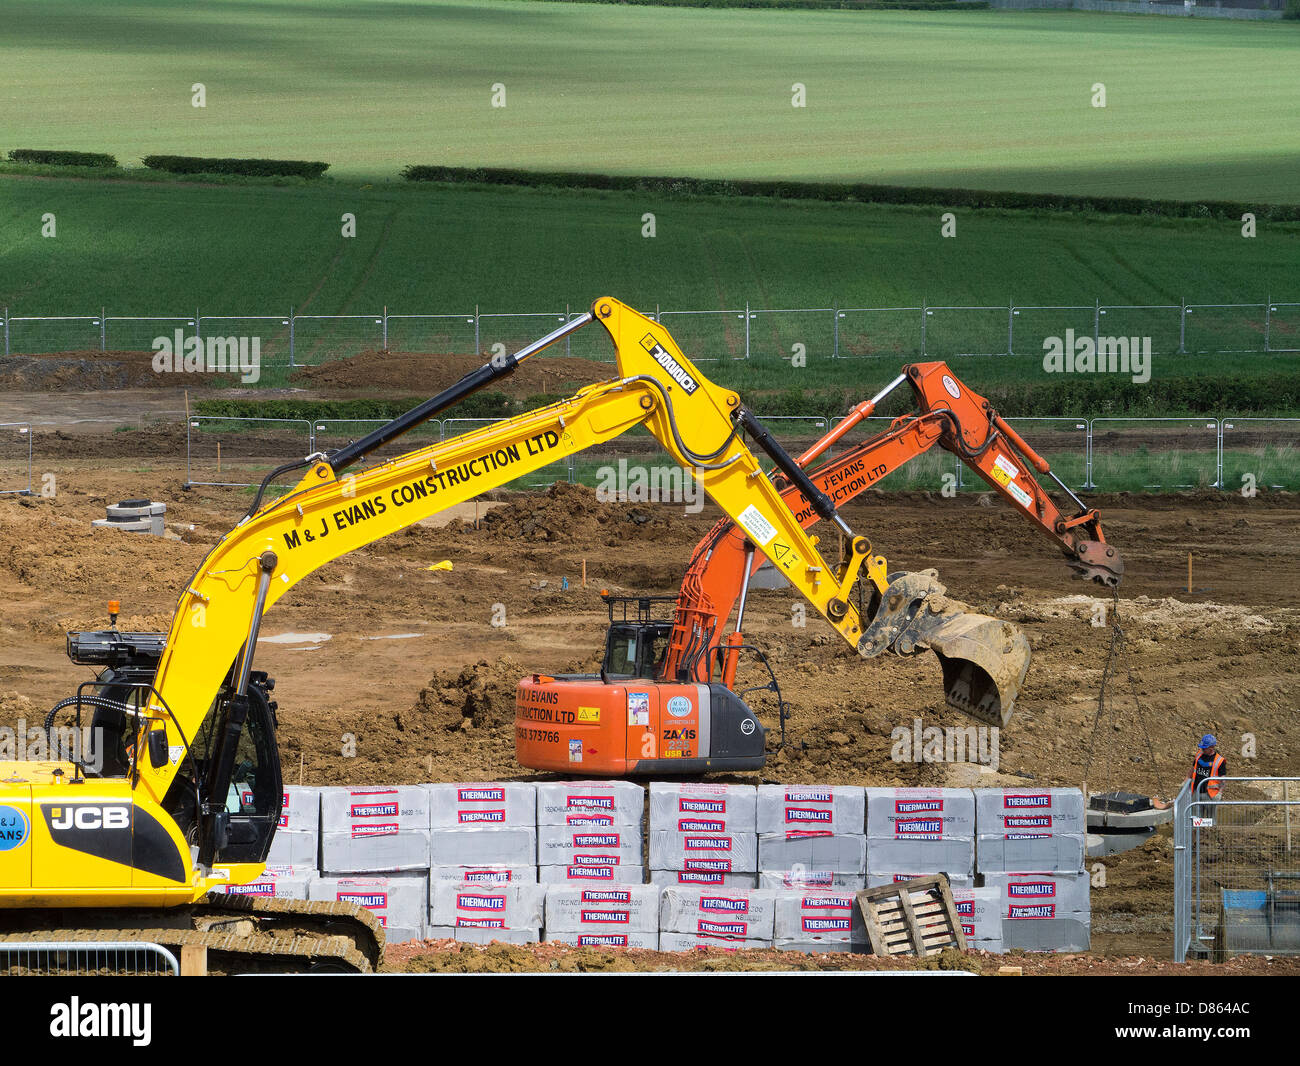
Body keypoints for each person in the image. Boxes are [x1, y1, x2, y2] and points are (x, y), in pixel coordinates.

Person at [1188, 734, 1227, 799]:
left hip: (1210, 795)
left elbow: (1223, 779)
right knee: (1194, 809)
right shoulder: (1199, 755)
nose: (1202, 749)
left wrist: (1220, 793)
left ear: (1211, 748)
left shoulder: (1219, 761)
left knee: (1210, 809)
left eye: (1204, 748)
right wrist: (1186, 780)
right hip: (1196, 792)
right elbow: (1192, 768)